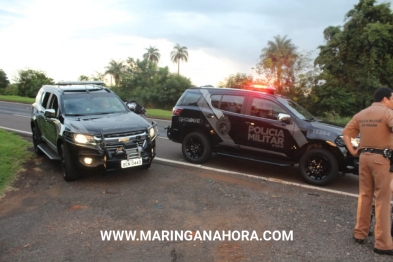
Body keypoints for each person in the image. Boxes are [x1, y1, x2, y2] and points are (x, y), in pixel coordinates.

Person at [343, 87, 393, 256]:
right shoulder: (387, 113)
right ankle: (383, 244)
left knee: (365, 196)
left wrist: (353, 151)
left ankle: (360, 233)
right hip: (382, 160)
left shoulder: (361, 114)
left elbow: (346, 133)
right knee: (382, 200)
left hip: (364, 158)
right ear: (385, 99)